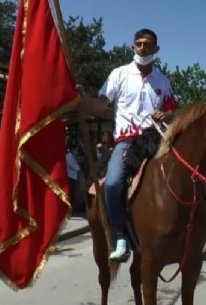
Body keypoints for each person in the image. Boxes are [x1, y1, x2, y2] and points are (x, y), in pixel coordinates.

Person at [78, 28, 177, 262]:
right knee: (112, 183)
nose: (143, 48)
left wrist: (166, 114)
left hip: (156, 140)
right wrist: (82, 99)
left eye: (148, 44)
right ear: (133, 47)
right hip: (126, 141)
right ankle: (120, 236)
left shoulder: (163, 81)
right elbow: (102, 105)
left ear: (156, 49)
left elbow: (174, 112)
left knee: (184, 175)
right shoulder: (119, 74)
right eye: (139, 44)